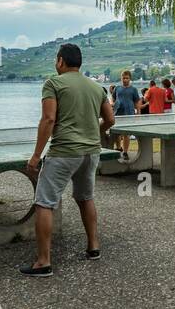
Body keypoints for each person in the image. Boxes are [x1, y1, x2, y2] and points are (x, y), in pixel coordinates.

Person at [21, 43, 114, 277]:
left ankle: (43, 262)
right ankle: (94, 247)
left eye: (56, 59)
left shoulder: (53, 83)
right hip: (91, 152)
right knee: (85, 198)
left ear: (61, 61)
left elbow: (48, 120)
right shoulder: (96, 87)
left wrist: (35, 155)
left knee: (44, 203)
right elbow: (110, 119)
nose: (55, 63)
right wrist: (94, 130)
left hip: (64, 151)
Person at [111, 70, 141, 162]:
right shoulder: (117, 88)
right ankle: (119, 147)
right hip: (118, 113)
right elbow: (113, 98)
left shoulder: (133, 89)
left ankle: (125, 151)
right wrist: (112, 104)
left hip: (129, 113)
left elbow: (137, 101)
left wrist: (138, 112)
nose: (125, 80)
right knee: (116, 133)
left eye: (127, 78)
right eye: (123, 78)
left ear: (130, 78)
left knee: (126, 134)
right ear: (121, 78)